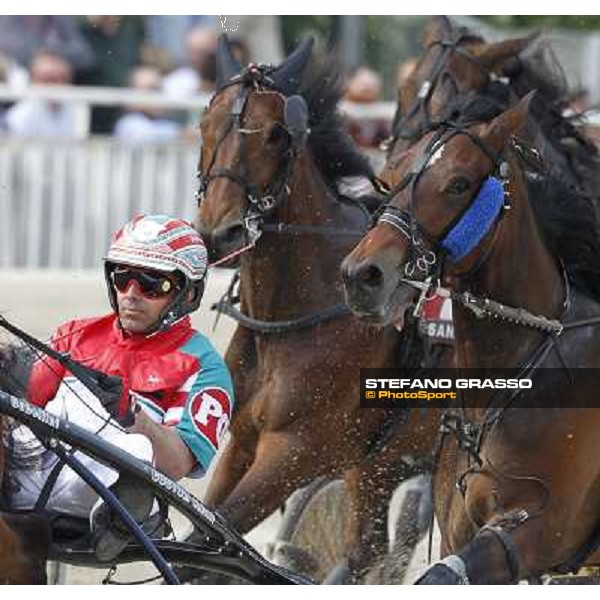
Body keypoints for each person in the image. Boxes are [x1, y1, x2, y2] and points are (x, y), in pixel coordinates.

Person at [7, 214, 234, 560]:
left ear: (187, 293)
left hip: (107, 496)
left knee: (138, 450)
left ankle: (121, 517)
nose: (130, 294)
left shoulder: (206, 367)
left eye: (151, 284)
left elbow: (175, 465)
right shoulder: (74, 335)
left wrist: (134, 416)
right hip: (32, 474)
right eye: (123, 278)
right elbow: (24, 405)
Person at [3, 51, 79, 138]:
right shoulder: (18, 118)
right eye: (49, 80)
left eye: (63, 79)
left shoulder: (78, 109)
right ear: (34, 80)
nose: (57, 86)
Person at [114, 66, 181, 143]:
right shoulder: (128, 122)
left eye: (160, 89)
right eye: (153, 89)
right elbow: (143, 134)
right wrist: (180, 134)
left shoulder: (162, 121)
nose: (159, 95)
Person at [162, 25, 218, 99]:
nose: (195, 58)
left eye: (202, 52)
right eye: (192, 52)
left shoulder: (230, 76)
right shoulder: (178, 79)